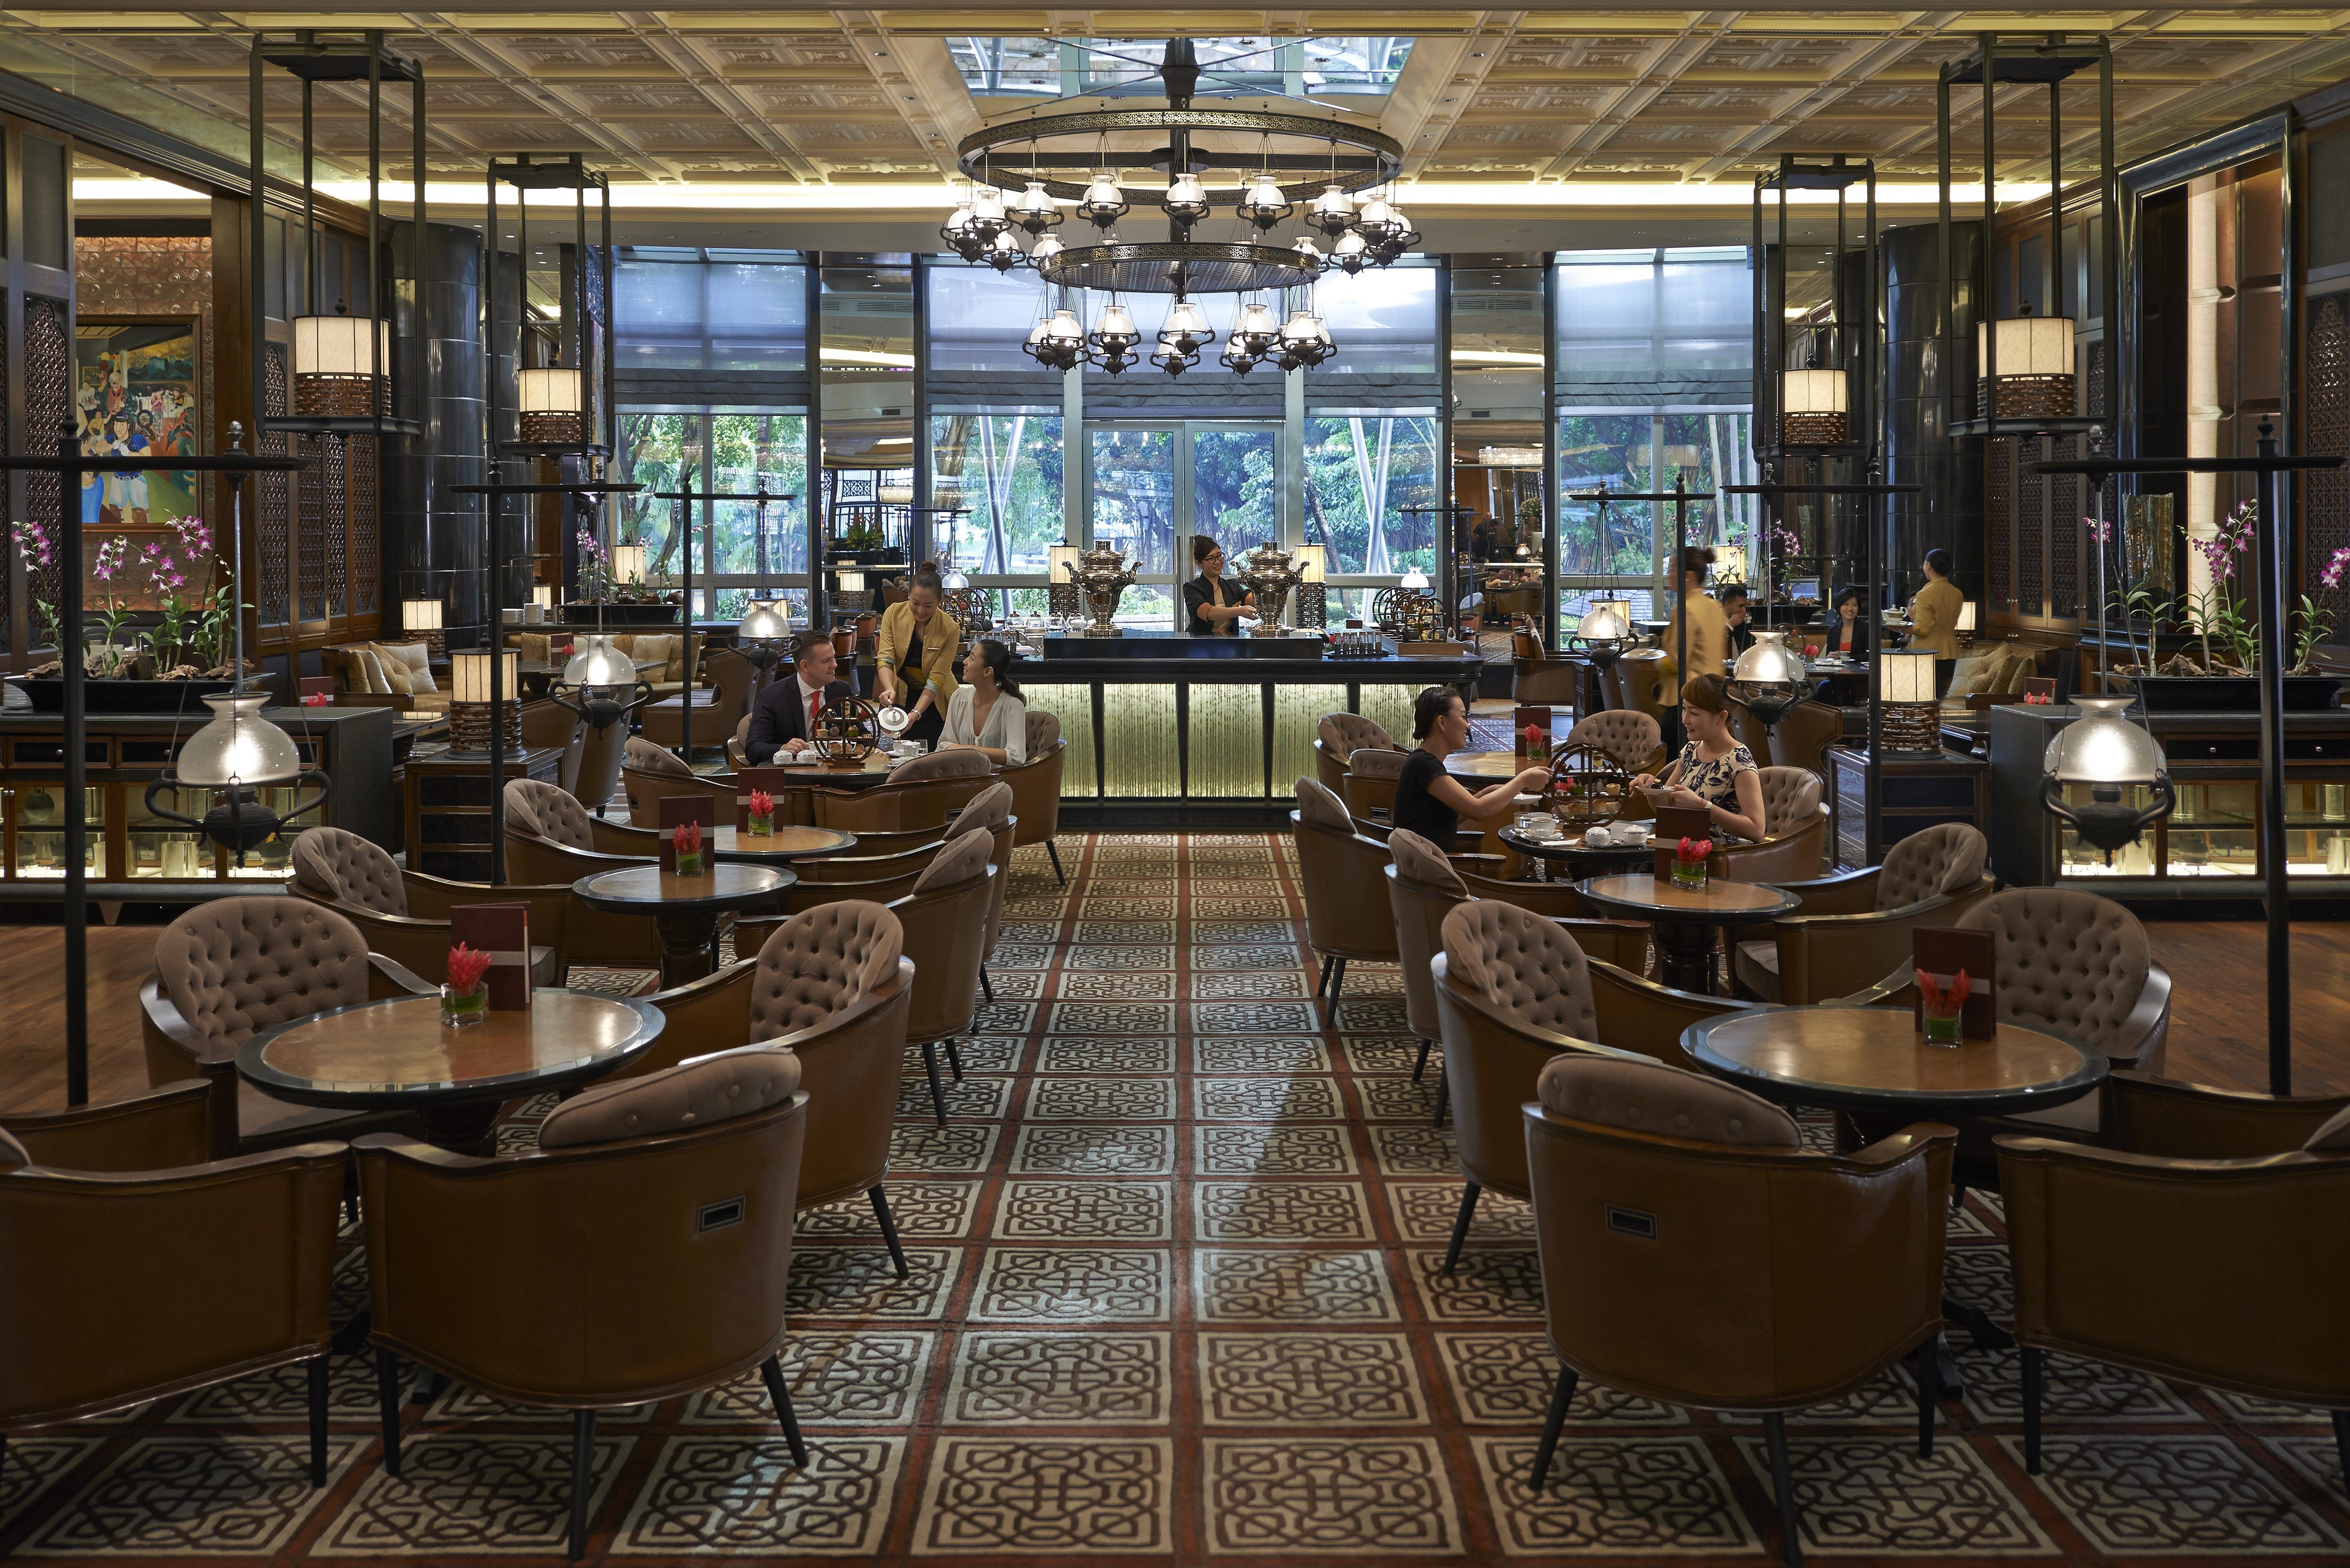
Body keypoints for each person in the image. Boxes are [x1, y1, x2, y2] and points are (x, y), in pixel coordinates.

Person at [1392, 685, 1551, 848]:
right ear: (1442, 722)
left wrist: (1483, 793)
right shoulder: (1424, 764)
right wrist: (1523, 779)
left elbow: (1447, 818)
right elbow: (1480, 811)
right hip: (1426, 862)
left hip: (1430, 858)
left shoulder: (1425, 761)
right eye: (1463, 717)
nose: (1468, 726)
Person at [1631, 672, 1768, 843]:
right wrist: (1652, 789)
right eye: (1684, 709)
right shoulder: (1691, 750)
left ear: (1721, 717)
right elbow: (1666, 808)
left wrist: (1702, 805)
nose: (1685, 720)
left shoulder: (1739, 760)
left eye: (1694, 713)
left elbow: (1756, 830)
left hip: (1722, 855)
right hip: (1683, 847)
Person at [874, 564, 962, 746]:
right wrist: (888, 688)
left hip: (934, 701)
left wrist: (916, 713)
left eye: (928, 605)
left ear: (939, 601)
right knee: (897, 752)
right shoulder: (893, 614)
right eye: (915, 603)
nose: (921, 611)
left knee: (933, 753)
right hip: (899, 693)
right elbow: (886, 658)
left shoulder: (950, 628)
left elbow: (937, 679)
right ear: (908, 595)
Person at [745, 630, 855, 764]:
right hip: (793, 773)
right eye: (827, 661)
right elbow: (753, 748)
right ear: (805, 666)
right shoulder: (772, 697)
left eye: (834, 658)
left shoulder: (842, 691)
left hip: (837, 770)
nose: (835, 664)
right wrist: (783, 748)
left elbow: (858, 731)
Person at [1660, 545, 1729, 751]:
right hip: (1713, 699)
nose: (1668, 575)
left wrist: (1654, 662)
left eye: (1672, 569)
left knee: (1675, 760)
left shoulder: (1686, 609)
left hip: (1687, 699)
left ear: (1687, 576)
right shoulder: (1714, 607)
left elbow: (1677, 660)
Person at [941, 637, 1027, 765]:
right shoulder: (959, 698)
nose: (965, 662)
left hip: (999, 777)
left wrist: (969, 749)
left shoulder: (1012, 706)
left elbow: (1016, 756)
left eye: (972, 658)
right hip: (961, 776)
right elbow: (944, 744)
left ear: (987, 671)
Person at [1907, 548, 1964, 686]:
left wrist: (1900, 628)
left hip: (1926, 651)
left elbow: (1923, 630)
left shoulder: (1925, 594)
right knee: (1939, 693)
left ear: (1928, 566)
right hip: (1950, 650)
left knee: (1924, 694)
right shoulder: (1957, 593)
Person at [1182, 535, 1258, 636]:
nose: (1218, 562)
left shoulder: (1232, 585)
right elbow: (1208, 612)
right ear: (1199, 563)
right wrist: (1240, 611)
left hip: (1230, 641)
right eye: (1211, 559)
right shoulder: (1191, 588)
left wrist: (1261, 591)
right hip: (1200, 642)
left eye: (1219, 556)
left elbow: (1249, 599)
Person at [1825, 584, 1869, 656]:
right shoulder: (1832, 630)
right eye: (1846, 604)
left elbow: (1870, 656)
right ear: (1839, 607)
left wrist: (1848, 658)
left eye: (1854, 605)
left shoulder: (1867, 629)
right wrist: (1829, 657)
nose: (1850, 608)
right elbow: (1829, 655)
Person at [1720, 583, 1756, 659]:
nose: (1744, 610)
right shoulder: (1713, 621)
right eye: (1741, 606)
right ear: (1727, 605)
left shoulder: (1742, 624)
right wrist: (1730, 626)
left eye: (1745, 606)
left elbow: (1751, 650)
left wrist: (1748, 626)